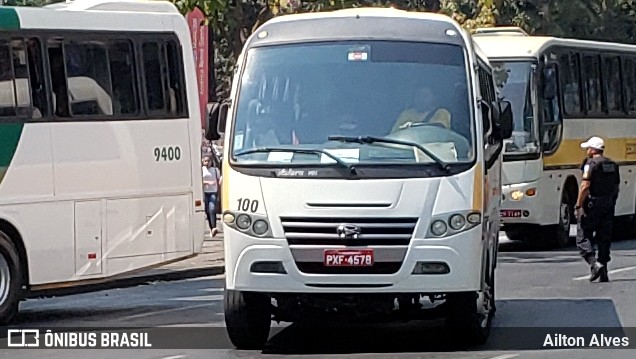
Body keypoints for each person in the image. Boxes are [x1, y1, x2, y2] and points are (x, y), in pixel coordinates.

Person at [575, 136, 620, 282]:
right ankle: (604, 269)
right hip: (608, 203)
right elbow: (616, 186)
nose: (586, 151)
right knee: (604, 236)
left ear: (593, 149)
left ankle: (594, 264)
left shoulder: (591, 164)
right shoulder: (613, 164)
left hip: (592, 204)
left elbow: (585, 186)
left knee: (583, 235)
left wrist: (578, 205)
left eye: (588, 148)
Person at [202, 155, 222, 236]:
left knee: (212, 208)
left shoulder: (215, 170)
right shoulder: (201, 170)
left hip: (213, 191)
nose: (207, 163)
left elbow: (218, 181)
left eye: (208, 161)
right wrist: (207, 182)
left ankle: (214, 227)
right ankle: (211, 228)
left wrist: (219, 193)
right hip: (204, 192)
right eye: (205, 161)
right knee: (207, 210)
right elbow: (199, 181)